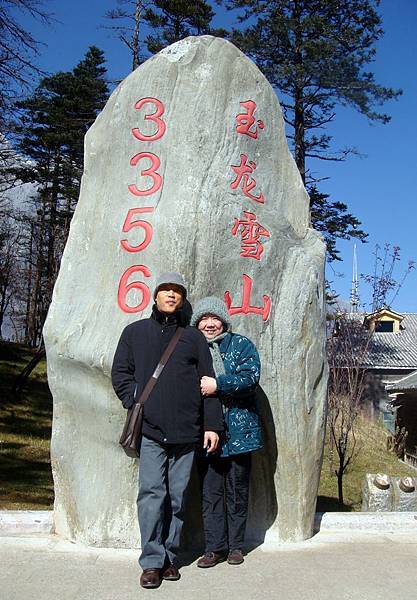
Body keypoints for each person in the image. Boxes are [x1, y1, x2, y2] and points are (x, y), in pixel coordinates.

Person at [111, 273, 223, 589]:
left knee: (177, 498)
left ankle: (170, 558)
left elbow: (207, 383)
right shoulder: (134, 333)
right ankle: (150, 562)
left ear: (182, 300)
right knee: (150, 495)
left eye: (176, 291)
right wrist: (135, 398)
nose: (171, 295)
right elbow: (120, 373)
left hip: (187, 432)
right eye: (165, 290)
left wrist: (212, 424)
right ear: (156, 296)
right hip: (149, 430)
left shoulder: (193, 338)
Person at [191, 296, 263, 568]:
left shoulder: (241, 345)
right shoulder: (193, 348)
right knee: (210, 493)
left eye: (215, 318)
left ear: (224, 321)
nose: (210, 324)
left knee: (237, 491)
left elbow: (250, 379)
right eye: (204, 319)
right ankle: (214, 548)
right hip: (206, 433)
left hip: (240, 435)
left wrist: (217, 384)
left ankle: (236, 546)